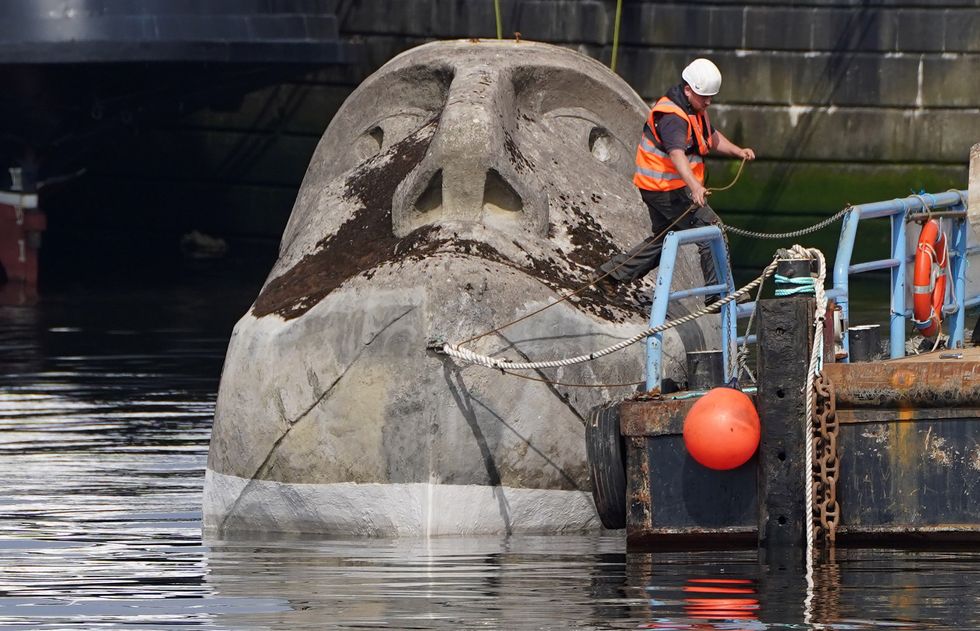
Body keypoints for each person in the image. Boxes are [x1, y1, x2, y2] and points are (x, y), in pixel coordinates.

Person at [597, 58, 755, 305]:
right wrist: (695, 187)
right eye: (705, 97)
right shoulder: (673, 118)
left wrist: (738, 151)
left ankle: (611, 275)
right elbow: (677, 155)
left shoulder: (694, 109)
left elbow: (709, 136)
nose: (709, 102)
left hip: (660, 188)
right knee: (711, 228)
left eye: (711, 96)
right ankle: (718, 294)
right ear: (688, 89)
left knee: (664, 239)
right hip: (665, 189)